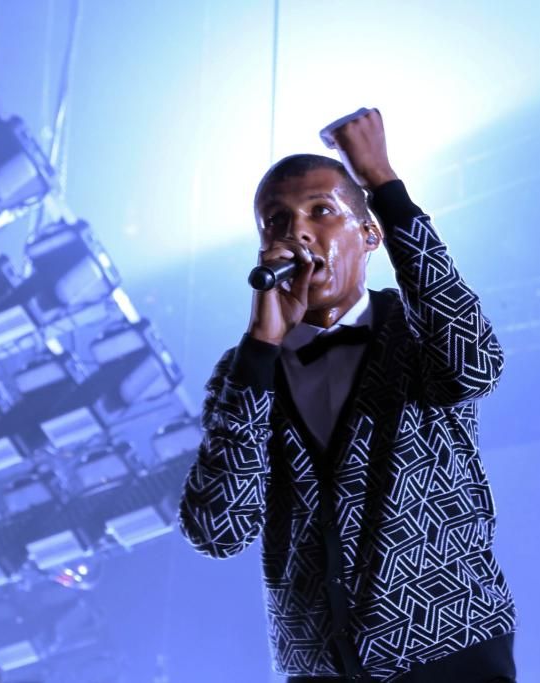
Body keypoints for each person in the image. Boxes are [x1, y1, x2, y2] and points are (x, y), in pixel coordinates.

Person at [178, 109, 517, 682]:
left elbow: (477, 365)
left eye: (322, 211)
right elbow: (218, 530)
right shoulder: (244, 372)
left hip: (448, 651)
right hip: (318, 669)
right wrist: (260, 349)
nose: (298, 233)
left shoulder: (419, 332)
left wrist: (383, 184)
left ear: (369, 235)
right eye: (276, 221)